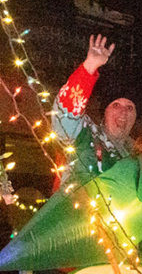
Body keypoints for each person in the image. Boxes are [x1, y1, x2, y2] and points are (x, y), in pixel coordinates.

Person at [52, 34, 137, 184]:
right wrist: (89, 67)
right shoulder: (87, 134)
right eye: (116, 105)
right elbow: (66, 115)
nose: (123, 112)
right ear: (105, 111)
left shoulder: (140, 156)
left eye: (130, 107)